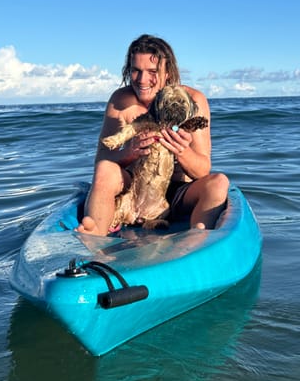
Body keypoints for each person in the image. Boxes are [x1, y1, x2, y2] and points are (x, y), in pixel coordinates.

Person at [78, 34, 229, 236]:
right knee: (105, 169)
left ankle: (196, 238)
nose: (142, 80)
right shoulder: (121, 100)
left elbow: (202, 170)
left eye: (152, 71)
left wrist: (181, 151)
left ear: (168, 73)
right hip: (134, 188)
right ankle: (95, 233)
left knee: (219, 183)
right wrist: (129, 153)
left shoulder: (191, 101)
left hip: (177, 193)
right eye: (136, 71)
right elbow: (102, 158)